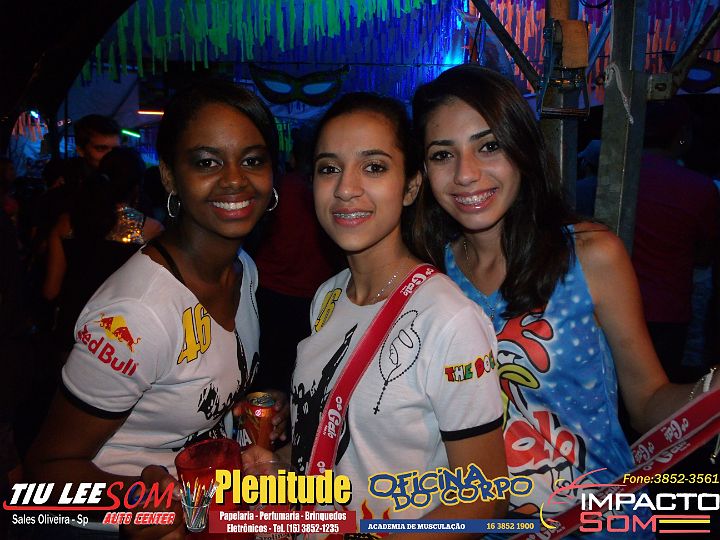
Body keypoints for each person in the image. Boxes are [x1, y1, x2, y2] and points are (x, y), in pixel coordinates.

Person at [410, 65, 719, 532]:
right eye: (442, 154)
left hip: (596, 522)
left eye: (489, 146)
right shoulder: (430, 276)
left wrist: (711, 389)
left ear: (521, 149)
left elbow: (648, 400)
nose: (466, 174)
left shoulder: (590, 255)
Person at [24, 80, 287, 539]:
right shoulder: (137, 314)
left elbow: (185, 390)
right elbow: (44, 470)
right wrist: (141, 507)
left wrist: (243, 413)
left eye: (252, 160)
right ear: (169, 176)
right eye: (206, 161)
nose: (235, 179)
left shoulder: (242, 269)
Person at [246, 92, 507, 536]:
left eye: (374, 167)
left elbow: (483, 499)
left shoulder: (447, 320)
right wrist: (280, 465)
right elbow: (342, 453)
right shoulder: (328, 297)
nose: (346, 189)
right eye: (329, 168)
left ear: (411, 186)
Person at [250, 126, 342, 398]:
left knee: (265, 372)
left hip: (271, 294)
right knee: (298, 374)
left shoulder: (279, 188)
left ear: (293, 156)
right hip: (312, 298)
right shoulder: (325, 193)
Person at [42, 147, 164, 351]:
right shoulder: (150, 230)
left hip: (73, 329)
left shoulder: (66, 223)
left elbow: (50, 290)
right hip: (122, 338)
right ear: (136, 187)